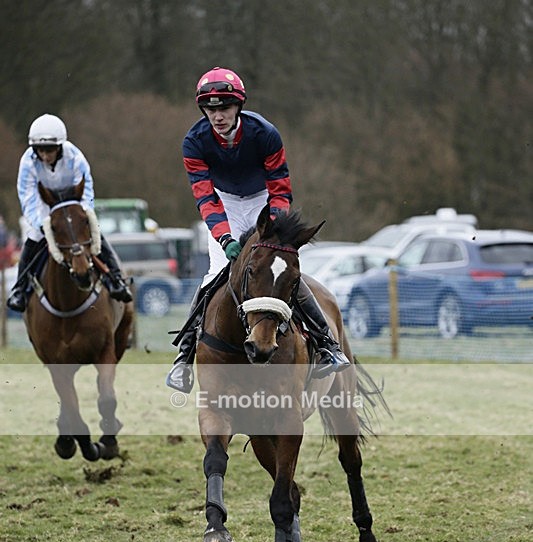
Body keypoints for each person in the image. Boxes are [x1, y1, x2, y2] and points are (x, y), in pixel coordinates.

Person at [166, 67, 350, 393]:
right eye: (211, 109)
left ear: (238, 106)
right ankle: (184, 356)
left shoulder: (265, 134)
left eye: (224, 108)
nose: (218, 116)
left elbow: (280, 188)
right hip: (224, 206)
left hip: (264, 202)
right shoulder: (194, 142)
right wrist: (224, 237)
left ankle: (326, 344)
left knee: (281, 271)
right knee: (215, 272)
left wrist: (274, 229)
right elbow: (205, 197)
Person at [7, 113, 132, 312]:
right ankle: (20, 289)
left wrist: (85, 215)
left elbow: (86, 188)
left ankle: (116, 280)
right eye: (40, 151)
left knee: (94, 233)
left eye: (50, 151)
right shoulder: (28, 163)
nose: (45, 156)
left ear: (60, 147)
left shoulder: (75, 157)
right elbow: (28, 197)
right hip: (45, 207)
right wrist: (43, 224)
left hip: (73, 203)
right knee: (34, 235)